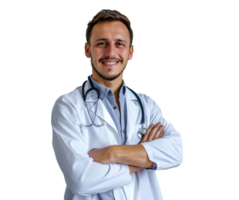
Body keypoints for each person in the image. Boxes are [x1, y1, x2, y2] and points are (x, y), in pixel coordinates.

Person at [49, 8, 185, 200]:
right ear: (86, 50)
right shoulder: (67, 105)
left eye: (119, 44)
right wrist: (144, 158)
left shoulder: (147, 105)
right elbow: (80, 179)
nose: (111, 52)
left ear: (131, 52)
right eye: (101, 43)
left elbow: (177, 152)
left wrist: (112, 153)